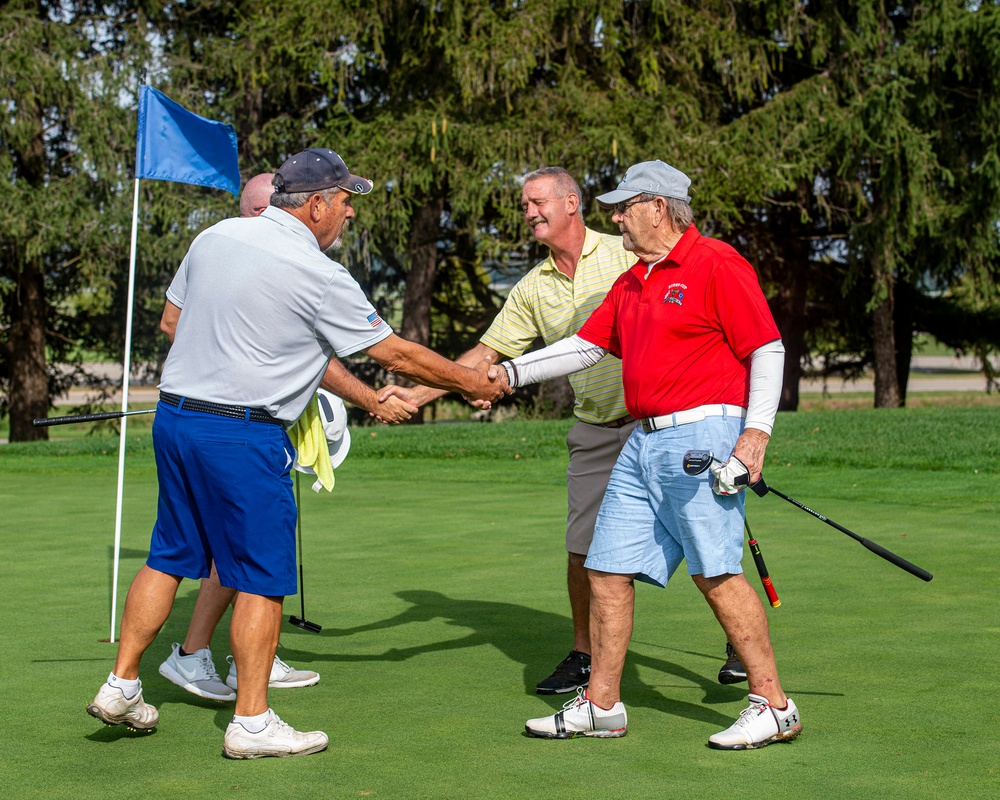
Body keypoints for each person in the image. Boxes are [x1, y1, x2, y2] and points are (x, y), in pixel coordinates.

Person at [85, 147, 507, 759]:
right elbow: (394, 354)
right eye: (344, 201)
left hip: (176, 420)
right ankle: (251, 722)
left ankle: (122, 683)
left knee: (169, 555)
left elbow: (172, 320)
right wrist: (471, 382)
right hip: (243, 435)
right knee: (261, 578)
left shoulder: (215, 236)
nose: (349, 214)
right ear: (314, 205)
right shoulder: (318, 272)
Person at [383, 167, 745, 692]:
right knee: (584, 548)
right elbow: (489, 355)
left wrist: (737, 422)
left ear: (571, 203)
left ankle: (739, 642)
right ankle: (584, 655)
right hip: (597, 428)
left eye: (537, 201)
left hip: (669, 425)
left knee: (704, 539)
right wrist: (419, 394)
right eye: (525, 204)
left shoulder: (629, 250)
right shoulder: (533, 287)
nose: (529, 212)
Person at [491, 160, 800, 749]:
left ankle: (774, 705)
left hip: (704, 437)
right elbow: (583, 349)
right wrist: (505, 374)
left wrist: (755, 436)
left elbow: (767, 347)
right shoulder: (634, 280)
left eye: (624, 206)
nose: (615, 217)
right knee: (606, 569)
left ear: (657, 207)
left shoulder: (715, 262)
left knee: (716, 572)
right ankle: (602, 705)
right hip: (644, 440)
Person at [157, 173, 417, 704]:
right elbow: (177, 324)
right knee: (249, 557)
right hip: (234, 427)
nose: (349, 213)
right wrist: (230, 369)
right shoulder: (267, 253)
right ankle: (241, 699)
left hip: (207, 417)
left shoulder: (225, 245)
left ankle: (194, 660)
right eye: (343, 202)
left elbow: (303, 354)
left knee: (225, 551)